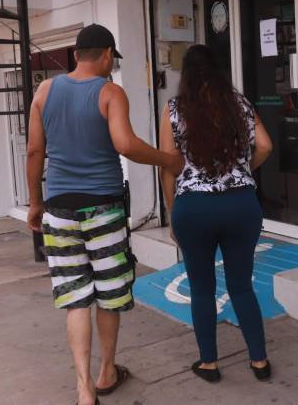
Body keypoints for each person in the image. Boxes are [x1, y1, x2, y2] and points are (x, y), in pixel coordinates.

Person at [26, 24, 183, 405]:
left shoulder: (44, 91)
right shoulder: (110, 92)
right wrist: (167, 159)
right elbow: (125, 144)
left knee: (75, 297)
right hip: (103, 209)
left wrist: (35, 202)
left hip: (59, 209)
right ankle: (107, 373)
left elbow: (34, 151)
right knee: (109, 294)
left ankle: (84, 390)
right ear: (108, 55)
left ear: (76, 55)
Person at [159, 45, 274, 383]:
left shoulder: (175, 109)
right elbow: (265, 146)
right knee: (241, 286)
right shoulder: (239, 104)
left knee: (202, 288)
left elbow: (169, 165)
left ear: (186, 75)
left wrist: (172, 210)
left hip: (194, 207)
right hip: (241, 206)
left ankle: (209, 363)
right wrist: (243, 172)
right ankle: (259, 361)